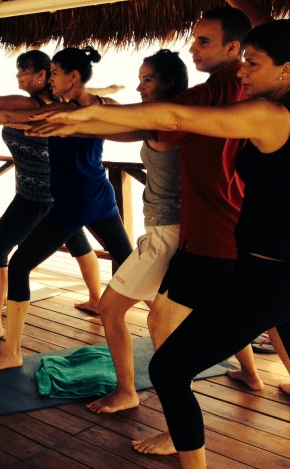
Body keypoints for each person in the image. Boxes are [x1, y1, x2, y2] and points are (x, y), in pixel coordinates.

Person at [51, 18, 290, 468]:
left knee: (168, 369)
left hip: (270, 277)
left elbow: (176, 116)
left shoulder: (271, 115)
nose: (243, 71)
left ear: (286, 70)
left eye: (253, 63)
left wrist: (89, 113)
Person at [28, 8, 263, 453]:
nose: (193, 47)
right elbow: (144, 123)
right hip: (211, 231)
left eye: (204, 41)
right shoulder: (226, 93)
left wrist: (82, 117)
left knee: (141, 319)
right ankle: (252, 377)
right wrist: (83, 117)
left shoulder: (212, 95)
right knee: (216, 313)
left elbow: (151, 122)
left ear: (234, 48)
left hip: (191, 233)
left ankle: (151, 405)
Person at [0, 47, 134, 372]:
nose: (51, 79)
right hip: (98, 198)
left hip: (67, 203)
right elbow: (0, 112)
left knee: (20, 264)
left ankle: (11, 349)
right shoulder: (95, 104)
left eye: (55, 73)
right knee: (132, 265)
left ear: (72, 77)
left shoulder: (61, 111)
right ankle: (164, 322)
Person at [51, 50, 187, 414]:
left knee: (111, 310)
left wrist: (72, 120)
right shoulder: (186, 116)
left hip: (165, 233)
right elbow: (112, 121)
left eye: (147, 80)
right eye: (139, 80)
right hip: (174, 229)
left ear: (169, 82)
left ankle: (128, 391)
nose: (140, 87)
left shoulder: (163, 122)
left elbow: (111, 124)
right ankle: (252, 373)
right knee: (194, 311)